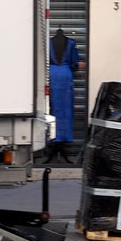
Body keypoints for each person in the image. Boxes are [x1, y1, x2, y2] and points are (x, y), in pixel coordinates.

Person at [46, 29, 80, 163]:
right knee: (65, 111)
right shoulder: (71, 43)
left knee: (52, 108)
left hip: (52, 76)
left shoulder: (48, 43)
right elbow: (74, 62)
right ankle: (62, 138)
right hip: (65, 77)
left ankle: (53, 139)